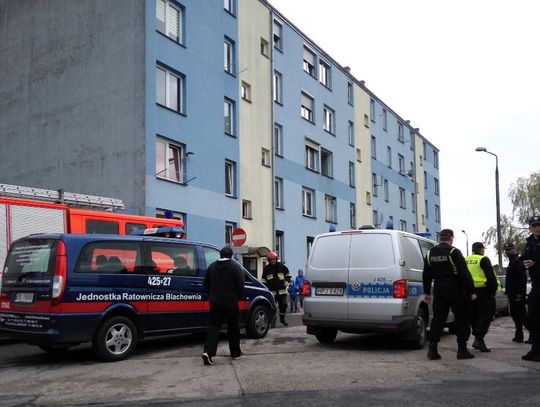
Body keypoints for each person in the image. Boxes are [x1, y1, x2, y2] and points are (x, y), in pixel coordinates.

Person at [423, 228, 476, 360]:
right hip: (456, 288)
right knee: (462, 318)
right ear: (451, 238)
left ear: (440, 238)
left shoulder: (430, 253)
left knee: (438, 318)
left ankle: (433, 350)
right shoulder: (454, 252)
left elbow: (426, 275)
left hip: (439, 288)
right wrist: (471, 291)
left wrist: (426, 292)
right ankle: (462, 350)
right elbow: (465, 273)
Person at [201, 246, 245, 366]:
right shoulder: (234, 267)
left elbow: (206, 285)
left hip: (215, 302)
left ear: (220, 255)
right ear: (231, 256)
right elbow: (240, 284)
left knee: (214, 327)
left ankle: (208, 353)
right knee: (233, 328)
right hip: (231, 303)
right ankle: (235, 353)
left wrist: (212, 295)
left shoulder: (212, 267)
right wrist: (237, 297)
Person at [465, 242, 499, 353]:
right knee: (487, 314)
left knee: (473, 316)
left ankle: (479, 340)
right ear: (481, 249)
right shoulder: (483, 259)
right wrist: (492, 291)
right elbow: (490, 277)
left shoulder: (465, 259)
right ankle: (479, 338)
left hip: (468, 292)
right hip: (483, 292)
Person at [522, 215, 540, 362]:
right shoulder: (530, 242)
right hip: (536, 284)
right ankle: (535, 350)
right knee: (533, 317)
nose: (537, 227)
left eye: (539, 225)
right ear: (530, 228)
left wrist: (536, 264)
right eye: (534, 225)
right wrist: (524, 262)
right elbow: (525, 257)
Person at [504, 242, 529, 343]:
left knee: (522, 315)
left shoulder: (518, 261)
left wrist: (520, 293)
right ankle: (519, 335)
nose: (507, 252)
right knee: (515, 315)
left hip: (517, 294)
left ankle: (534, 335)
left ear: (514, 249)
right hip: (512, 293)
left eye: (509, 250)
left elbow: (522, 279)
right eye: (506, 250)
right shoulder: (512, 261)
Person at [262, 251, 292, 326]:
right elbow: (263, 280)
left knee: (284, 305)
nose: (273, 261)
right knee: (272, 307)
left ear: (276, 258)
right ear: (269, 260)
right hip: (272, 292)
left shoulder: (282, 267)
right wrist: (266, 288)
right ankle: (272, 320)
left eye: (274, 259)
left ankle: (282, 319)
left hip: (282, 292)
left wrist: (287, 281)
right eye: (271, 259)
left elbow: (288, 275)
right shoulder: (266, 269)